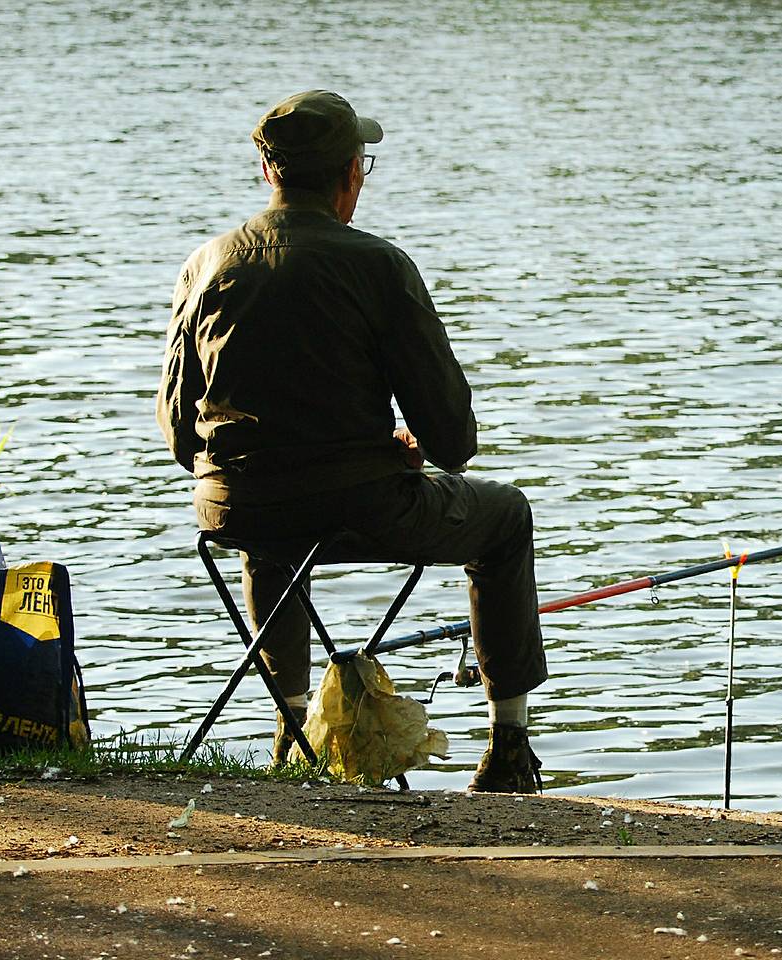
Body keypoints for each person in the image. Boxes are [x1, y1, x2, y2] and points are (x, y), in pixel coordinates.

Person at [155, 90, 547, 793]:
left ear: (267, 172)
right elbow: (453, 439)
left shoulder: (205, 265)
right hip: (361, 507)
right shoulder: (377, 265)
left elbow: (180, 431)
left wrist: (288, 451)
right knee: (507, 516)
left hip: (231, 507)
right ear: (347, 176)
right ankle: (508, 748)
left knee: (270, 531)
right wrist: (393, 448)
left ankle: (291, 726)